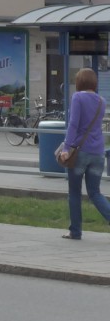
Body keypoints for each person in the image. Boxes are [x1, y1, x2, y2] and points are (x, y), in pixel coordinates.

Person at [58, 67, 110, 240]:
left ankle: (75, 231)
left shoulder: (78, 97)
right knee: (95, 193)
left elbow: (74, 124)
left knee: (74, 192)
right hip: (98, 153)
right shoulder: (102, 101)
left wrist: (66, 149)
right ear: (94, 82)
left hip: (80, 152)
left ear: (79, 82)